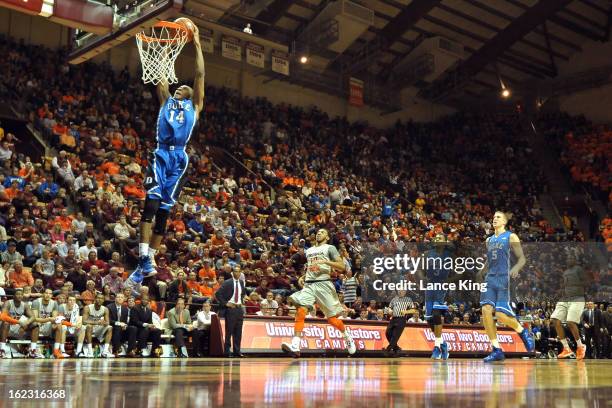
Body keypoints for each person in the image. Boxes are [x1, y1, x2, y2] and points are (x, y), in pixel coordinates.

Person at [132, 19, 205, 282]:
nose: (180, 86)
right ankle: (143, 256)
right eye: (178, 86)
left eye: (183, 87)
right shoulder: (165, 101)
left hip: (180, 157)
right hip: (161, 153)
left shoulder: (194, 106)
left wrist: (196, 44)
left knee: (163, 211)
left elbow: (199, 75)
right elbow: (162, 76)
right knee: (150, 205)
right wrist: (166, 46)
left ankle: (149, 259)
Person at [281, 229, 356, 357]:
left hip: (324, 284)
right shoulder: (309, 250)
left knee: (332, 319)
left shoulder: (330, 248)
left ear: (327, 236)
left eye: (322, 232)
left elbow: (342, 267)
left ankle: (347, 336)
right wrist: (304, 276)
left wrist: (326, 262)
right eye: (318, 232)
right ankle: (295, 345)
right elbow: (313, 267)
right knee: (301, 310)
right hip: (309, 284)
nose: (319, 233)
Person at [479, 211, 534, 362]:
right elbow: (490, 260)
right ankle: (496, 349)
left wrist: (516, 268)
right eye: (493, 216)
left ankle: (522, 331)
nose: (494, 218)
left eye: (498, 217)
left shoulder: (511, 236)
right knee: (486, 310)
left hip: (505, 278)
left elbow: (522, 258)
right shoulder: (489, 240)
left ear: (504, 222)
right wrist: (482, 271)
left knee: (501, 315)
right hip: (490, 279)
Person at [422, 234, 453, 360]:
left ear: (445, 242)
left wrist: (449, 280)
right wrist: (422, 278)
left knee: (436, 314)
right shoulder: (428, 254)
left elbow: (460, 272)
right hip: (430, 284)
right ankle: (443, 344)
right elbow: (421, 270)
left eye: (440, 238)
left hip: (441, 284)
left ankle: (436, 347)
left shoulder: (450, 255)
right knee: (429, 319)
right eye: (436, 238)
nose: (437, 239)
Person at [550, 255, 587, 359]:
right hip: (565, 298)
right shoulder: (565, 272)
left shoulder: (579, 269)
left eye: (571, 258)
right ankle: (566, 348)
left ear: (575, 260)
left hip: (577, 298)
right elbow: (564, 284)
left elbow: (587, 282)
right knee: (555, 320)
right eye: (568, 259)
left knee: (570, 322)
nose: (569, 260)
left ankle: (580, 346)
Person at [0, 288, 43, 358]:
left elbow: (33, 317)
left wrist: (27, 323)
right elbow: (2, 317)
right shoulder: (8, 303)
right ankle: (2, 350)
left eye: (21, 294)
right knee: (6, 323)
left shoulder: (25, 305)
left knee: (35, 325)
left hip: (17, 327)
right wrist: (19, 322)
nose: (20, 296)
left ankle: (32, 350)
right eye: (18, 294)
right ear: (13, 296)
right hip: (5, 327)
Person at [216, 267, 245, 357]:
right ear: (232, 273)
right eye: (235, 271)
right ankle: (227, 352)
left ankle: (237, 351)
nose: (237, 273)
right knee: (229, 331)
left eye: (239, 271)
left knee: (238, 332)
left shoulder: (241, 282)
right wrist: (225, 303)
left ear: (240, 273)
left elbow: (242, 293)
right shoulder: (227, 282)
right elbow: (218, 294)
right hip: (231, 309)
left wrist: (241, 301)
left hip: (239, 309)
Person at [31, 289, 65, 359]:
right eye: (46, 293)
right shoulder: (36, 302)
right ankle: (33, 350)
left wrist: (55, 322)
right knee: (35, 324)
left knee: (59, 325)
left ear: (52, 295)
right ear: (43, 294)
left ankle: (56, 351)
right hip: (38, 324)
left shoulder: (54, 303)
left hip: (47, 325)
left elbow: (54, 318)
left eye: (50, 294)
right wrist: (49, 319)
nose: (48, 295)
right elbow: (34, 318)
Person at [82, 293, 114, 358]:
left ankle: (105, 351)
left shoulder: (105, 309)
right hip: (87, 328)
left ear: (103, 300)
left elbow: (107, 322)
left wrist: (104, 323)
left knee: (110, 327)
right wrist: (96, 322)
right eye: (98, 298)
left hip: (98, 328)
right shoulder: (87, 308)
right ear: (95, 299)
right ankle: (90, 351)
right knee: (89, 326)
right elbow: (84, 321)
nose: (99, 300)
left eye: (101, 298)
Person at [384, 289, 413, 357]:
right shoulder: (394, 299)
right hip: (393, 319)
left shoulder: (408, 299)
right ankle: (397, 349)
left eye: (402, 291)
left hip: (401, 319)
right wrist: (389, 310)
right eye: (399, 290)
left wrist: (405, 312)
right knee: (387, 333)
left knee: (395, 336)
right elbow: (389, 307)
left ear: (405, 292)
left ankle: (388, 350)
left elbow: (413, 310)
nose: (400, 292)